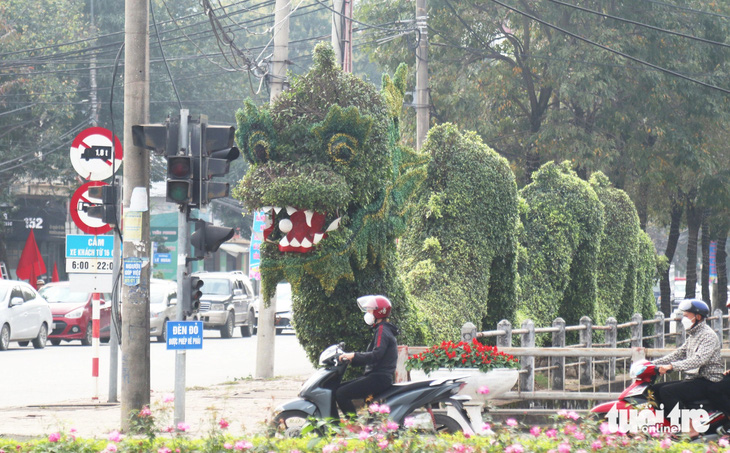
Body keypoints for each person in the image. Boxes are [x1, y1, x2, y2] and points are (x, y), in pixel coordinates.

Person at [651, 299, 723, 435]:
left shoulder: (708, 336)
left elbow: (698, 360)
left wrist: (671, 366)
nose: (683, 319)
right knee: (654, 390)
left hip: (708, 381)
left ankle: (688, 427)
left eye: (686, 316)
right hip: (694, 379)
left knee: (668, 392)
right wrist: (652, 364)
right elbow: (678, 353)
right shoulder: (693, 335)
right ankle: (668, 426)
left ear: (698, 317)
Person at [336, 295, 399, 418]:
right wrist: (353, 359)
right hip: (377, 377)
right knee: (340, 389)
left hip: (378, 378)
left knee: (341, 393)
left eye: (370, 310)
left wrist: (354, 356)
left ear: (378, 312)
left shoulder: (382, 330)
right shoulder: (383, 329)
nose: (367, 313)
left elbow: (376, 355)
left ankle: (353, 427)